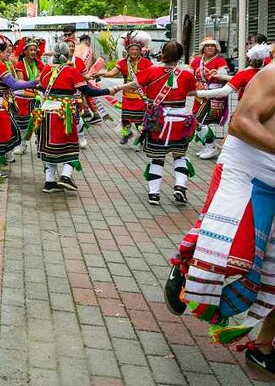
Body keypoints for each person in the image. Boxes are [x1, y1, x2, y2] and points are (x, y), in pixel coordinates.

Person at [163, 62, 275, 372]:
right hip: (247, 172)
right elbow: (241, 122)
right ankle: (185, 268)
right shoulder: (274, 74)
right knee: (233, 254)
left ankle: (263, 347)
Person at [118, 41, 200, 205]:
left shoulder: (151, 71)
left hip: (159, 121)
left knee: (157, 157)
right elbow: (190, 92)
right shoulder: (187, 75)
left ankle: (154, 194)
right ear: (180, 56)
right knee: (179, 155)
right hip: (180, 121)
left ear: (162, 54)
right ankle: (180, 186)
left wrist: (116, 88)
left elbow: (135, 84)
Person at [32, 42, 116, 194]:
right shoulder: (72, 71)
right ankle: (65, 176)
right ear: (68, 55)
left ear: (54, 55)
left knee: (49, 148)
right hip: (64, 114)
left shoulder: (45, 70)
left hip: (45, 113)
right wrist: (110, 90)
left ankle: (49, 182)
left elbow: (41, 87)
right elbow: (88, 92)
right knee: (69, 145)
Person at [0, 38, 40, 177]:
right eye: (6, 52)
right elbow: (14, 85)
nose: (9, 54)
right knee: (0, 135)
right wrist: (34, 82)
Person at [96, 32, 153, 145]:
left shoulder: (147, 63)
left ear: (140, 50)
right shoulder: (122, 63)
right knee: (126, 118)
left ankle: (141, 139)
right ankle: (126, 134)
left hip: (141, 96)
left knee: (138, 120)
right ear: (127, 50)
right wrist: (101, 73)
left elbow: (153, 75)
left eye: (137, 49)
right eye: (132, 49)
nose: (134, 52)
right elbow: (112, 73)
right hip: (127, 95)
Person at [190, 37, 229, 160]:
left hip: (213, 95)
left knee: (198, 121)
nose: (210, 48)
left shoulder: (220, 61)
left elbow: (224, 77)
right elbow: (189, 75)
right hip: (199, 96)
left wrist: (218, 75)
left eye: (212, 45)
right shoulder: (196, 61)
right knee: (197, 121)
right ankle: (208, 146)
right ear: (203, 48)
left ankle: (211, 147)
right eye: (207, 46)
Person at [12, 37, 45, 154]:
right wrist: (36, 81)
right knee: (22, 122)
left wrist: (36, 82)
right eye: (30, 50)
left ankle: (40, 144)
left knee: (38, 120)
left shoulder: (39, 63)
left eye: (35, 50)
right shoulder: (20, 64)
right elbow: (21, 82)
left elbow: (43, 78)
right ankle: (22, 145)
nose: (33, 52)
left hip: (37, 96)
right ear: (25, 51)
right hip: (24, 97)